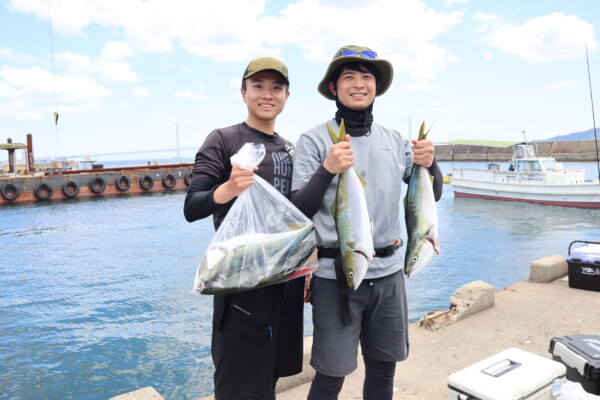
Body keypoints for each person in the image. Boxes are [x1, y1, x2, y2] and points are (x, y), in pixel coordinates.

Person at [291, 45, 443, 400]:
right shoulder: (313, 140)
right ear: (333, 88)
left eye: (366, 77)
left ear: (376, 87)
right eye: (348, 77)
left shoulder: (396, 141)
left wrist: (431, 163)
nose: (358, 84)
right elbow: (299, 209)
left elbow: (430, 196)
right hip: (336, 275)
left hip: (389, 273)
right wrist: (327, 169)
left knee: (383, 370)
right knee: (330, 376)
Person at [184, 57, 304, 400]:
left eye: (276, 87)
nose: (267, 94)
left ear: (286, 95)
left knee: (268, 381)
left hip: (286, 282)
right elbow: (192, 207)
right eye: (258, 87)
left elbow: (296, 217)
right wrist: (229, 189)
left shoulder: (289, 149)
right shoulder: (223, 139)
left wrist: (307, 269)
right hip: (240, 282)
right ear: (243, 92)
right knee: (238, 385)